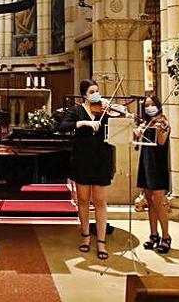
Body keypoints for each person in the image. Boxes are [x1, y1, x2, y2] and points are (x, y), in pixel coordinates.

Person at [58, 79, 115, 260]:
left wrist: (113, 109)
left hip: (102, 159)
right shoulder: (76, 111)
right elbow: (63, 127)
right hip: (82, 159)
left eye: (97, 91)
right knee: (83, 200)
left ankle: (101, 241)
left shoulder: (104, 110)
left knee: (100, 201)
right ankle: (85, 236)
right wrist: (84, 123)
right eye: (92, 91)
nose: (96, 94)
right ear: (84, 95)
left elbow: (123, 121)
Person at [133, 95, 172, 254]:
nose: (149, 107)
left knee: (158, 201)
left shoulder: (163, 122)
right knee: (149, 200)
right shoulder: (145, 123)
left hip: (158, 164)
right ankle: (153, 234)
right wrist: (137, 133)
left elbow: (162, 142)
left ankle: (166, 236)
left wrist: (158, 128)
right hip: (146, 162)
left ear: (158, 106)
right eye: (147, 105)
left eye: (152, 104)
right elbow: (137, 145)